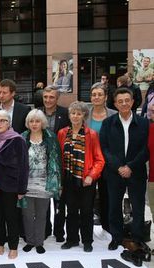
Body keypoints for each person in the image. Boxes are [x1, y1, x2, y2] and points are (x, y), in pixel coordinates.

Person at [100, 88, 149, 250]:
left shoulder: (143, 123)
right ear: (115, 104)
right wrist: (119, 166)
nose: (124, 104)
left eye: (127, 100)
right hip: (115, 173)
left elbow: (146, 149)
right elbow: (104, 148)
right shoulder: (108, 123)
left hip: (136, 172)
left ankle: (138, 237)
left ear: (133, 102)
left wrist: (130, 166)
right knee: (114, 206)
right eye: (120, 101)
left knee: (138, 206)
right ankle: (116, 237)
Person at [58, 101, 104, 252]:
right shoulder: (62, 133)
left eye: (79, 113)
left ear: (84, 115)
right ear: (69, 115)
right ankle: (71, 239)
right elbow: (59, 158)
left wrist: (91, 176)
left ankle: (87, 241)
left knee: (86, 212)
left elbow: (99, 159)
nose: (75, 116)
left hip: (86, 180)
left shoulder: (92, 134)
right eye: (73, 113)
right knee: (71, 211)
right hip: (69, 179)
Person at [0, 110, 28, 259]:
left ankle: (13, 246)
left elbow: (24, 166)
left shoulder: (17, 140)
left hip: (11, 185)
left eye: (2, 120)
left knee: (11, 217)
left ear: (9, 123)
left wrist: (22, 188)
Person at [20, 109, 61, 254]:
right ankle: (30, 241)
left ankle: (39, 242)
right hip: (26, 184)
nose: (34, 124)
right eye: (31, 121)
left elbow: (56, 161)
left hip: (45, 183)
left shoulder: (50, 137)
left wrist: (56, 183)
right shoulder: (22, 137)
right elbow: (18, 163)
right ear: (28, 123)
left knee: (42, 215)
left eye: (37, 121)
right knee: (27, 215)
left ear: (42, 122)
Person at [86, 83, 117, 232]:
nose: (96, 97)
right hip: (89, 163)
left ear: (105, 97)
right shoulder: (85, 114)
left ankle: (107, 227)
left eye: (99, 94)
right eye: (94, 94)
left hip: (108, 162)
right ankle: (86, 230)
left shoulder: (113, 115)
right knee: (88, 197)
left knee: (107, 196)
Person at [41, 85, 70, 241]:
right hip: (41, 164)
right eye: (45, 97)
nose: (48, 100)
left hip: (60, 164)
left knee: (59, 200)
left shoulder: (65, 114)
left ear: (57, 98)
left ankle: (59, 232)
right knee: (44, 199)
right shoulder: (37, 113)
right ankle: (45, 230)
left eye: (51, 97)